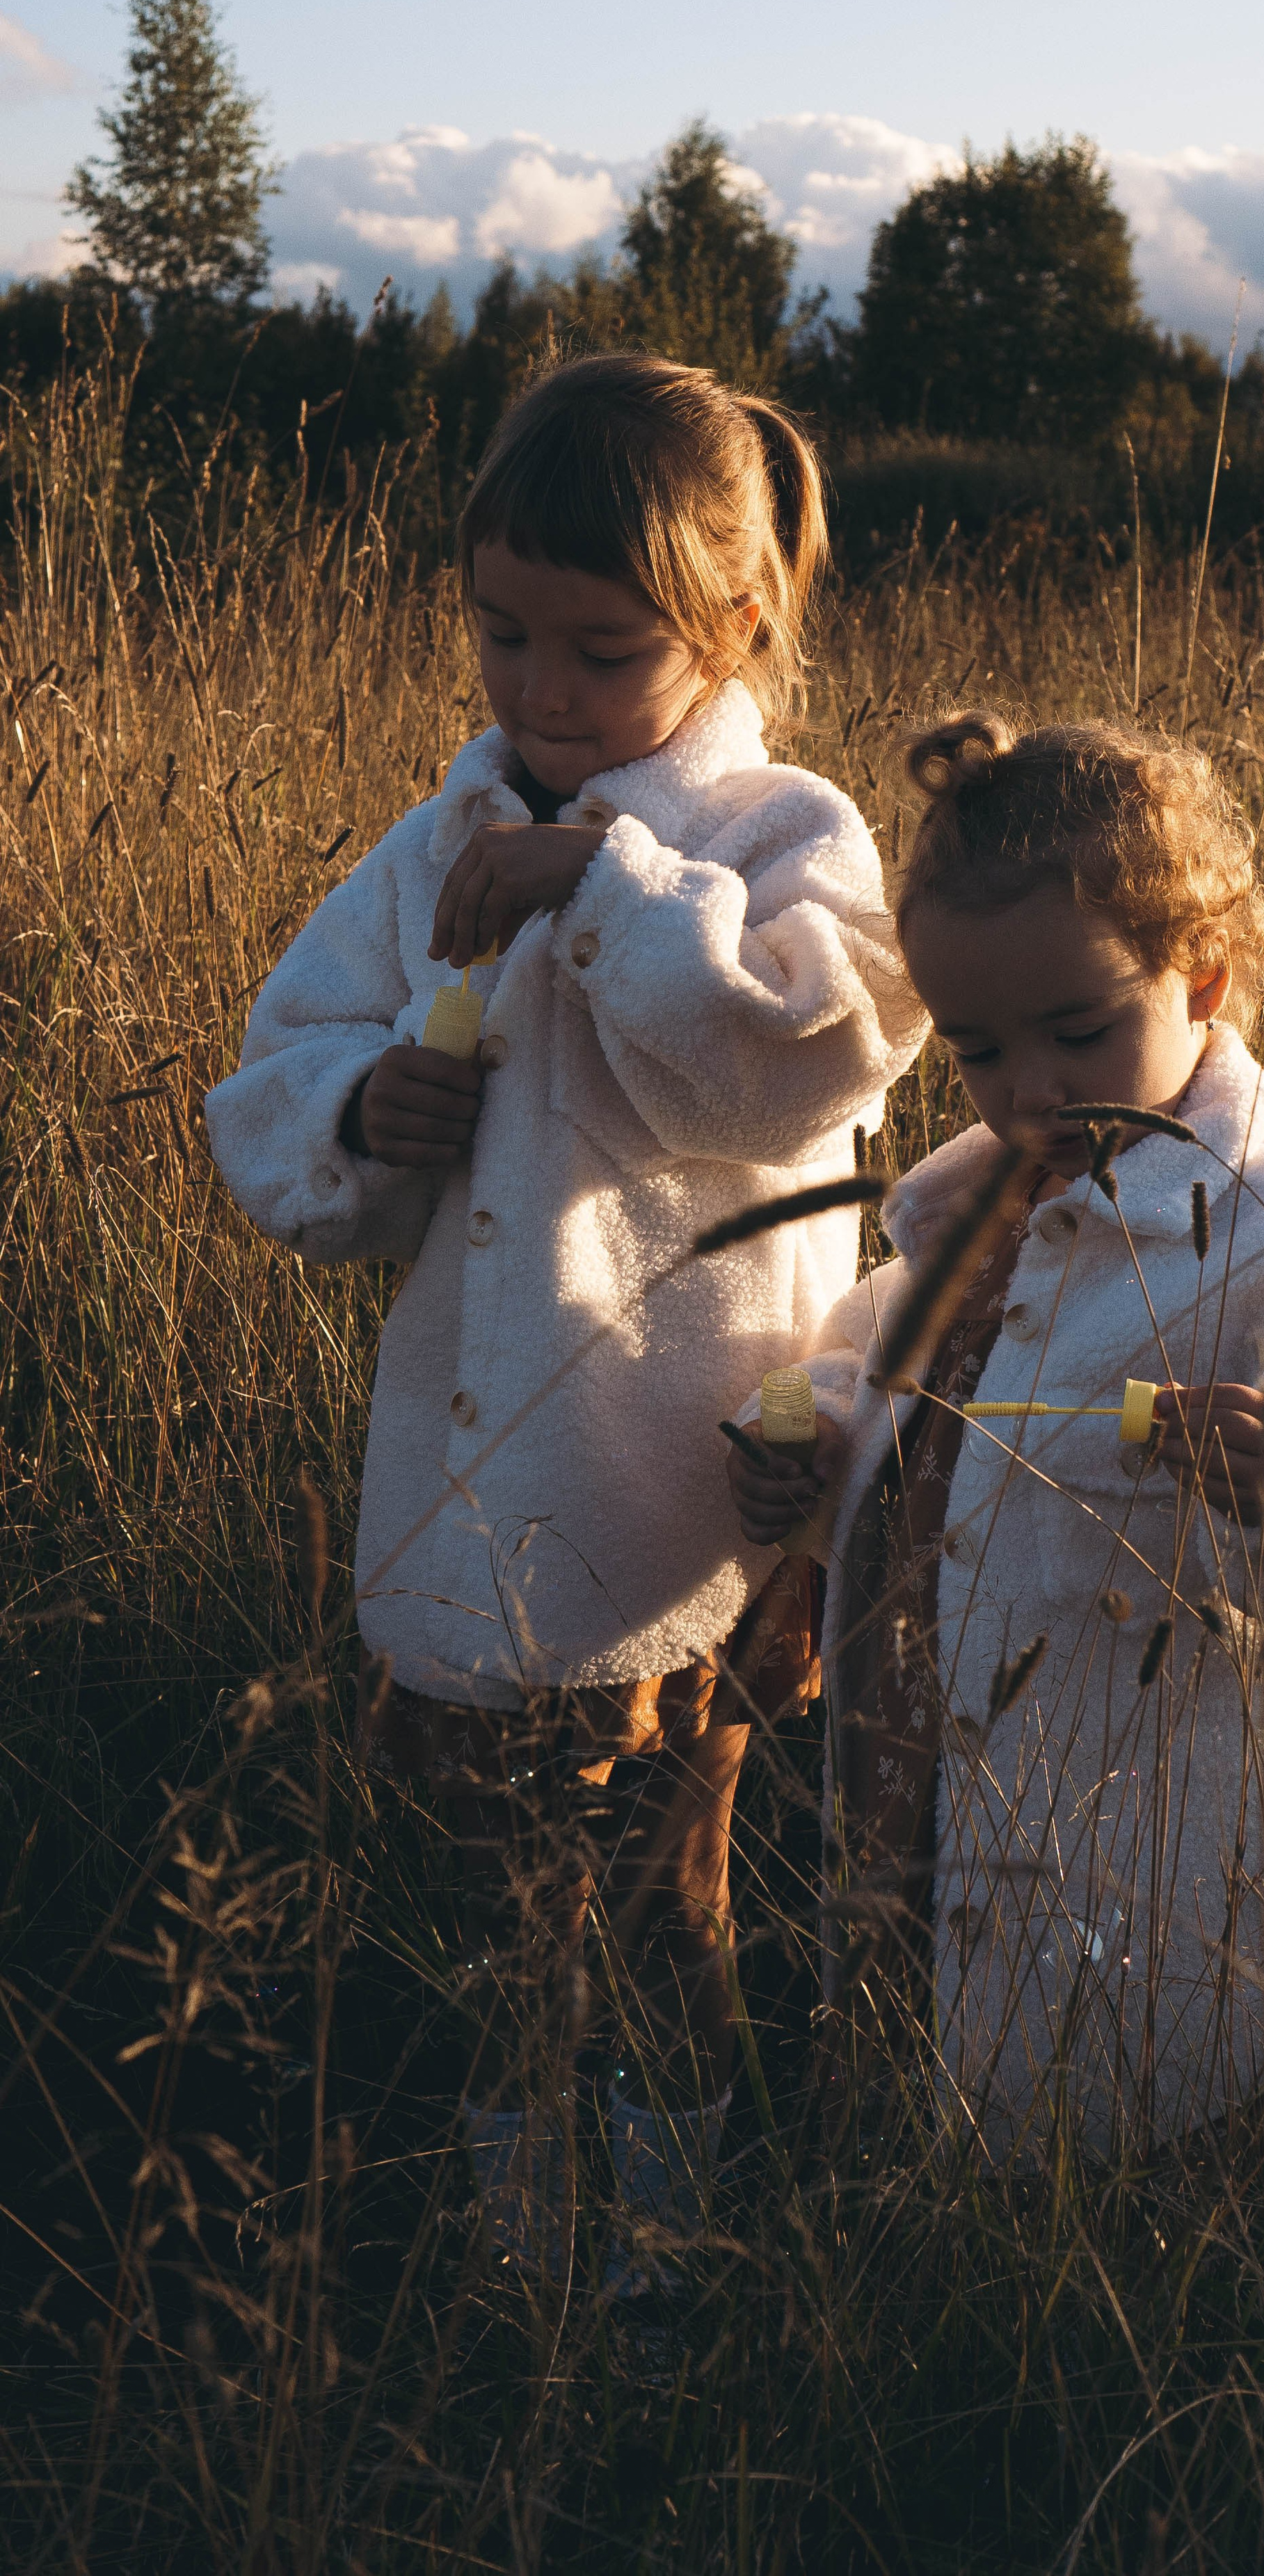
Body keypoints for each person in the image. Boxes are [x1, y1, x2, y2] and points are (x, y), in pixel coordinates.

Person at [205, 354, 926, 2280]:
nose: (539, 694)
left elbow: (793, 1063)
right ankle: (526, 2242)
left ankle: (669, 2270)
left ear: (737, 621)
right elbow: (275, 1068)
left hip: (670, 1510)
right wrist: (369, 1111)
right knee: (507, 1908)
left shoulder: (790, 838)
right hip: (469, 1490)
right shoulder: (444, 833)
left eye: (602, 652)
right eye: (503, 634)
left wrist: (605, 878)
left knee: (665, 1894)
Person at [727, 710, 1264, 2157]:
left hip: (1175, 1821)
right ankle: (951, 2235)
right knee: (941, 2036)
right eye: (976, 1050)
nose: (1031, 1088)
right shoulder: (966, 1216)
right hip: (927, 1769)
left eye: (1078, 1032)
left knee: (1157, 2080)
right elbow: (875, 1367)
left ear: (1202, 979)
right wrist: (815, 1440)